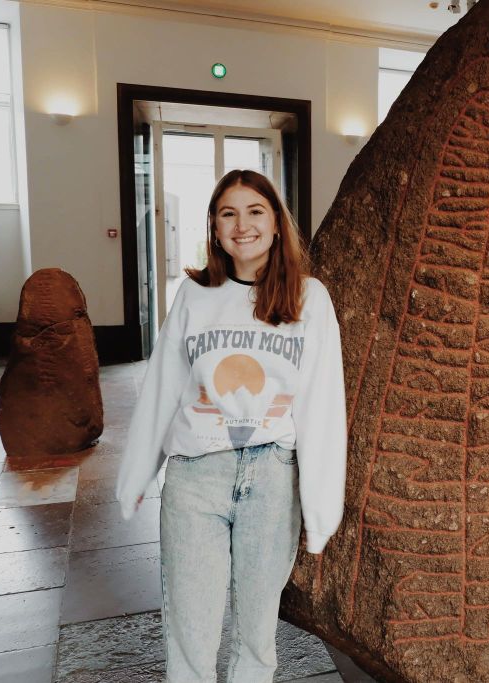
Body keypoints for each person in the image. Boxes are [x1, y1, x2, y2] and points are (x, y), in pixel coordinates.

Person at [115, 169, 347, 683]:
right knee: (189, 631)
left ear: (276, 223)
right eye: (228, 214)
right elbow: (162, 390)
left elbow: (322, 405)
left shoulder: (310, 299)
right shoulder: (195, 295)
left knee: (256, 636)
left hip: (271, 477)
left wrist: (321, 507)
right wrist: (136, 474)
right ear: (215, 229)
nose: (242, 225)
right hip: (197, 475)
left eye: (254, 211)